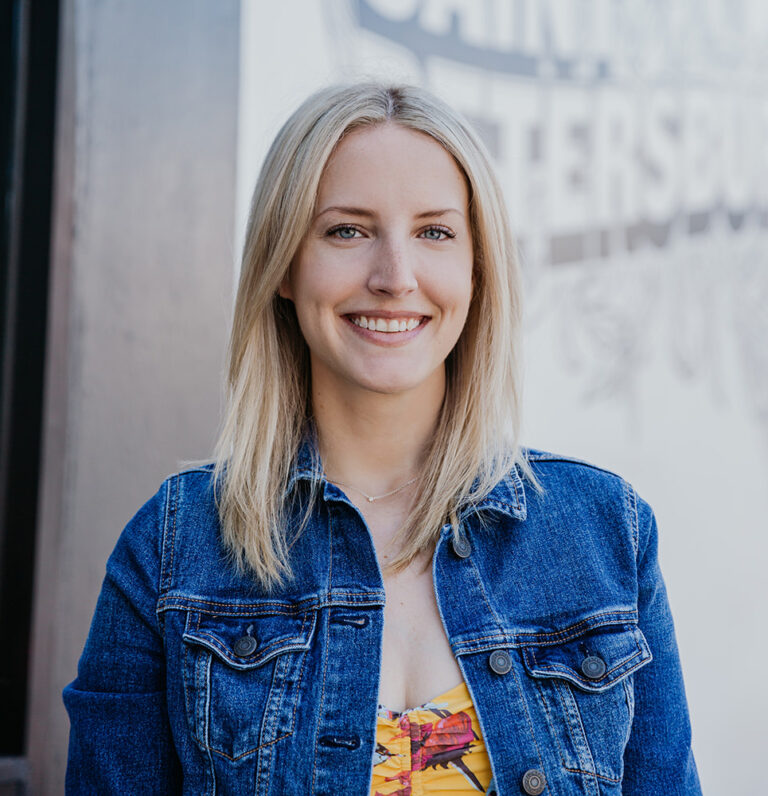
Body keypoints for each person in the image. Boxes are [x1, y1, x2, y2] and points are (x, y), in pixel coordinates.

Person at [64, 83, 701, 795]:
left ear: (476, 269)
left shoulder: (605, 532)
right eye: (347, 230)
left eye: (434, 233)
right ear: (283, 264)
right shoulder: (172, 550)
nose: (395, 277)